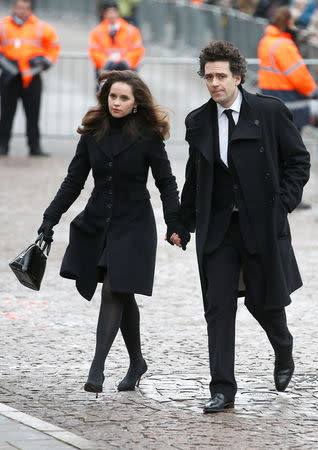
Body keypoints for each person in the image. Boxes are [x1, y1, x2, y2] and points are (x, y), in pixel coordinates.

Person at [170, 40, 310, 413]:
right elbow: (194, 178)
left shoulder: (269, 112)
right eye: (208, 76)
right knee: (217, 308)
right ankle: (223, 389)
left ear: (238, 76)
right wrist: (183, 223)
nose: (214, 83)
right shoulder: (198, 121)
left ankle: (283, 348)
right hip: (217, 230)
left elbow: (298, 161)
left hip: (261, 224)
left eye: (220, 76)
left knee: (264, 303)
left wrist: (283, 204)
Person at [37, 70, 189, 396]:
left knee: (113, 290)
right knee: (122, 291)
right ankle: (137, 363)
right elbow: (73, 181)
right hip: (98, 223)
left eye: (123, 98)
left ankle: (97, 368)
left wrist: (175, 224)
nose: (116, 102)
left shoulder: (148, 135)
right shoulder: (93, 132)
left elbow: (166, 183)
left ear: (136, 103)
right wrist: (50, 219)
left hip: (135, 224)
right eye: (112, 96)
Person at [258, 7, 317, 209]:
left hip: (271, 99)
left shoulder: (267, 40)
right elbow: (299, 75)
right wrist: (314, 91)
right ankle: (290, 195)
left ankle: (274, 192)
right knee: (291, 154)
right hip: (290, 102)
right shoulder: (284, 45)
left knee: (276, 150)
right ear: (289, 23)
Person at [0, 0, 60, 157]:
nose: (22, 10)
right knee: (6, 114)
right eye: (19, 7)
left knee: (33, 114)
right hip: (9, 76)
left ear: (30, 9)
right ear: (14, 8)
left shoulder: (41, 27)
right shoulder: (3, 25)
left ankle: (35, 147)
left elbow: (53, 46)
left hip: (32, 76)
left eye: (26, 8)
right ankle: (2, 146)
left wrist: (46, 61)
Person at [89, 1, 145, 79]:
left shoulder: (131, 30)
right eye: (109, 12)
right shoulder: (97, 32)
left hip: (127, 72)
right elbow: (94, 51)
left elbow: (137, 50)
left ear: (118, 13)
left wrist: (126, 62)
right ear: (104, 14)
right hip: (105, 72)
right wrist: (106, 62)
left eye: (113, 12)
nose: (111, 15)